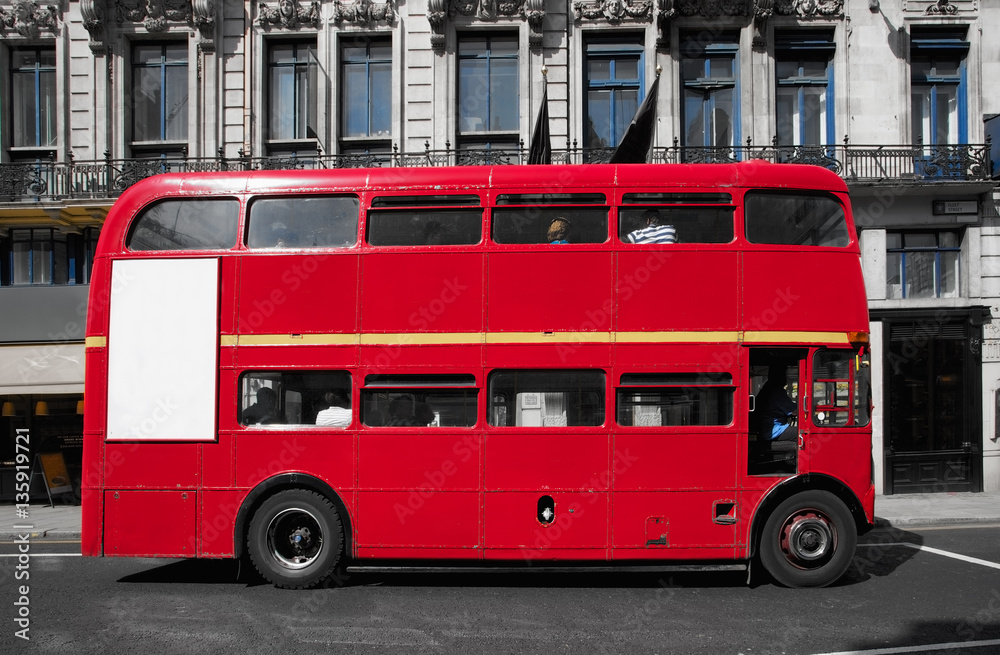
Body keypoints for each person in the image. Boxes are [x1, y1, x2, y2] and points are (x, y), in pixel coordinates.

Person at [755, 365, 798, 443]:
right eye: (785, 375)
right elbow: (794, 411)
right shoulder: (776, 391)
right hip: (773, 430)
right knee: (802, 433)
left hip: (766, 428)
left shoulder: (768, 387)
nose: (786, 378)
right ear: (779, 376)